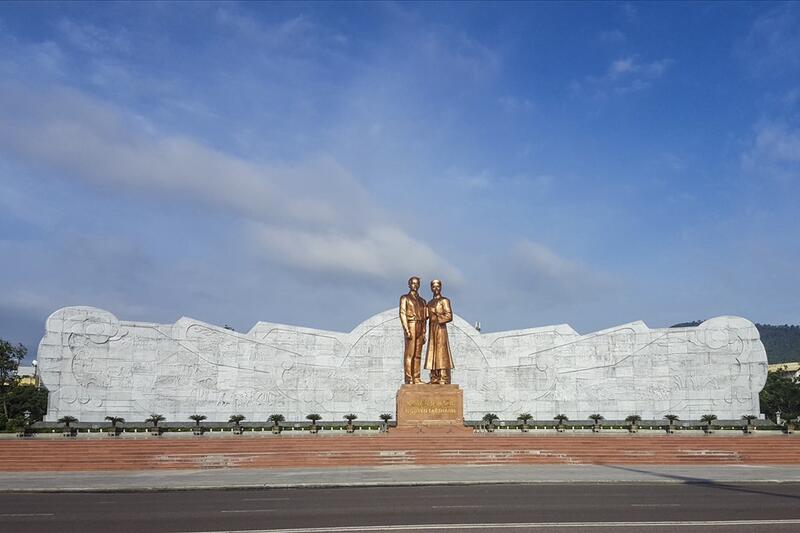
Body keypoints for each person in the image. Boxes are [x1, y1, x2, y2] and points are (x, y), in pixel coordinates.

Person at [424, 279, 454, 384]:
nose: (436, 288)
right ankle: (434, 377)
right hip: (432, 328)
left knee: (442, 351)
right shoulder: (429, 303)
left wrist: (437, 315)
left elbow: (449, 316)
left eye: (438, 286)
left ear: (441, 287)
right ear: (431, 288)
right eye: (433, 286)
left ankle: (444, 377)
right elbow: (425, 316)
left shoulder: (444, 301)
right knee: (432, 351)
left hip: (441, 328)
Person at [399, 276, 427, 384]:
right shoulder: (405, 298)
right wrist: (406, 329)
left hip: (420, 325)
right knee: (410, 353)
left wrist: (424, 332)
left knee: (418, 354)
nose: (415, 285)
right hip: (411, 324)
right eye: (413, 283)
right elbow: (402, 313)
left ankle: (417, 378)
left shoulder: (422, 301)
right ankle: (409, 378)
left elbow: (424, 318)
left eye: (417, 283)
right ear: (409, 285)